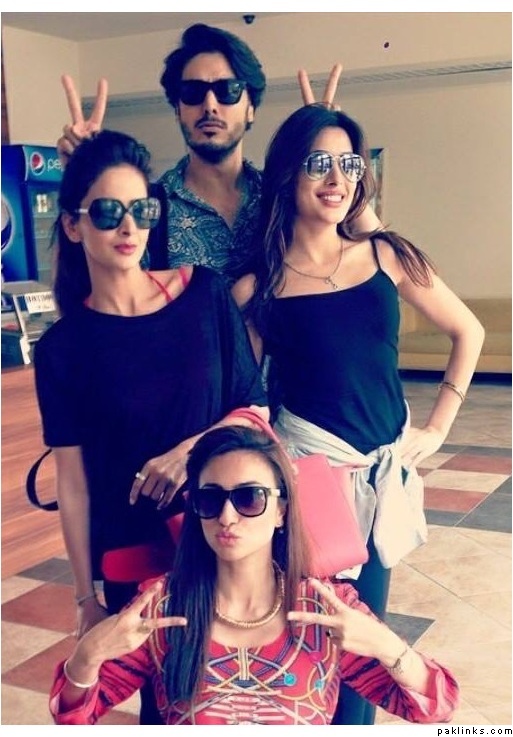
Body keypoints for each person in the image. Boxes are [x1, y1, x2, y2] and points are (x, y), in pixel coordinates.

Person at [231, 104, 485, 724]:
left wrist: (437, 428)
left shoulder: (386, 256)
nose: (336, 178)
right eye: (318, 162)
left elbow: (468, 331)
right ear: (287, 173)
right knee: (309, 631)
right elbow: (243, 398)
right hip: (309, 484)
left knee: (364, 639)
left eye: (349, 164)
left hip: (381, 477)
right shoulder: (257, 288)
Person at [33, 129, 268, 722]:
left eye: (141, 210)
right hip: (134, 553)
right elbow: (73, 484)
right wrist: (85, 598)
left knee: (243, 696)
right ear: (73, 226)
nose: (129, 226)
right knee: (165, 705)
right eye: (108, 212)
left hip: (227, 533)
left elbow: (255, 410)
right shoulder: (63, 349)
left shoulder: (204, 295)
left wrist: (190, 452)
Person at [48, 423, 459, 726]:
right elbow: (73, 716)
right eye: (210, 499)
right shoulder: (162, 609)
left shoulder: (328, 611)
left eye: (249, 497)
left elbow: (435, 708)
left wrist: (386, 646)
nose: (227, 516)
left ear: (281, 510)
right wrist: (86, 657)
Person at [56, 24, 381, 286]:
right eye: (193, 92)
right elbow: (91, 294)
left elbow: (381, 250)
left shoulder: (283, 195)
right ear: (178, 109)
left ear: (251, 108)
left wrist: (327, 148)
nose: (210, 105)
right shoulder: (149, 209)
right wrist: (82, 176)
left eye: (228, 91)